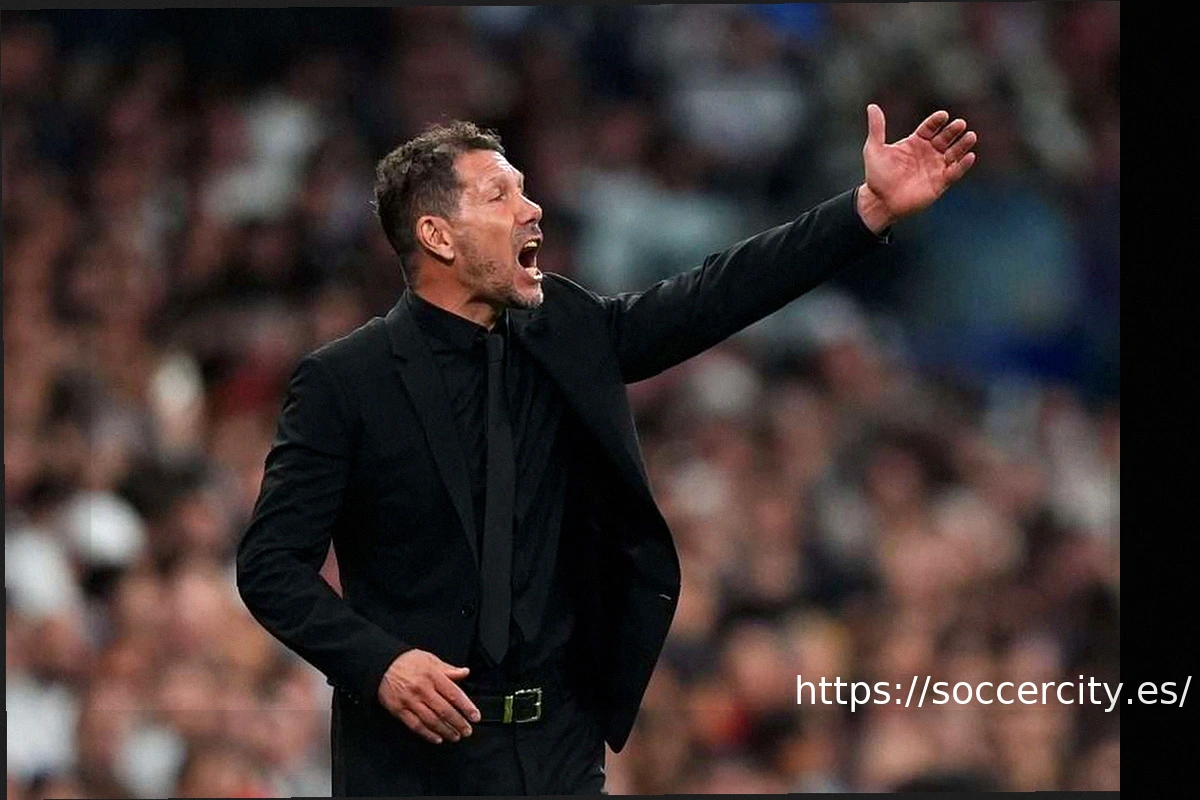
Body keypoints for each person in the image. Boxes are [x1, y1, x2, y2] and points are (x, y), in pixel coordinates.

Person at [236, 105, 976, 796]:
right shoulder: (345, 381)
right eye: (499, 195)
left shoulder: (567, 330)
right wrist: (381, 665)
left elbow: (714, 294)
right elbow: (270, 566)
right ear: (437, 236)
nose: (532, 209)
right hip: (409, 760)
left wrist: (866, 210)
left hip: (559, 749)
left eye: (524, 190)